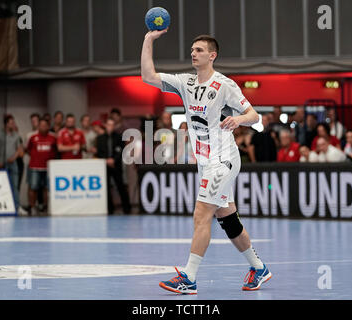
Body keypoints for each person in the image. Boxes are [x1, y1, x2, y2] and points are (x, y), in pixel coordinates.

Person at [142, 30, 268, 294]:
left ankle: (189, 277)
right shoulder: (185, 82)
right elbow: (148, 76)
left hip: (223, 159)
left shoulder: (224, 85)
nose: (193, 53)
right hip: (205, 161)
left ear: (212, 55)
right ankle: (259, 268)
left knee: (201, 214)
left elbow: (255, 116)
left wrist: (238, 119)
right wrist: (148, 40)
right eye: (192, 49)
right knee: (227, 218)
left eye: (199, 50)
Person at [95, 117, 131, 214]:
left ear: (114, 126)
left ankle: (127, 209)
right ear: (106, 126)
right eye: (108, 124)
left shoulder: (119, 137)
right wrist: (106, 160)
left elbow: (121, 150)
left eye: (112, 125)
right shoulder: (100, 138)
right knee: (106, 188)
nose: (110, 126)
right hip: (105, 166)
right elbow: (99, 152)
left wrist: (113, 160)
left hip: (116, 165)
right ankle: (110, 209)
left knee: (121, 187)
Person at [0, 115, 24, 210]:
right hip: (1, 163)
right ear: (6, 124)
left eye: (14, 122)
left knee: (15, 185)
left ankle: (17, 207)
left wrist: (14, 157)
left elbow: (20, 150)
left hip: (13, 163)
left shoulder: (16, 135)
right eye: (11, 123)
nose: (13, 124)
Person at [26, 118, 57, 216]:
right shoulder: (33, 137)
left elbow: (56, 150)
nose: (43, 127)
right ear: (38, 126)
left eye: (45, 125)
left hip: (48, 168)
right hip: (35, 166)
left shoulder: (53, 138)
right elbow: (28, 149)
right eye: (41, 125)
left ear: (48, 126)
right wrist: (36, 157)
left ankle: (45, 207)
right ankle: (32, 207)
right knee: (33, 187)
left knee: (46, 188)